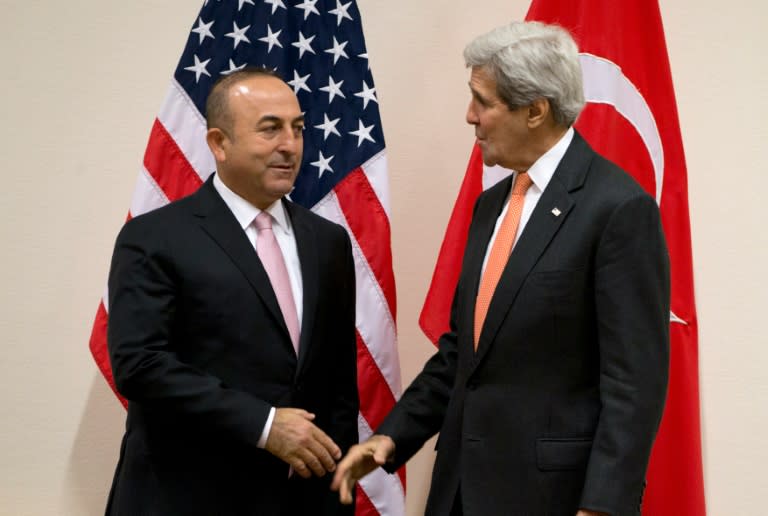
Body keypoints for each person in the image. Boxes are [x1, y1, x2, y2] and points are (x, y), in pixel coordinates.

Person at [332, 21, 670, 516]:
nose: (470, 117)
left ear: (535, 109)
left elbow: (634, 382)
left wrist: (603, 505)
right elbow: (464, 354)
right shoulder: (491, 206)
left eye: (482, 101)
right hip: (460, 491)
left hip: (552, 498)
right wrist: (391, 438)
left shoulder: (617, 208)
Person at [105, 68, 358, 516]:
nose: (290, 145)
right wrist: (264, 425)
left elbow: (338, 382)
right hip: (185, 495)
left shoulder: (328, 242)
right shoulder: (155, 237)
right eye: (270, 129)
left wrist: (337, 493)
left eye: (298, 129)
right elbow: (140, 364)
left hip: (297, 502)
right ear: (219, 143)